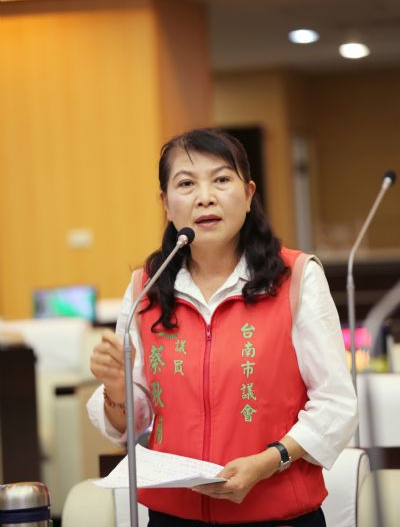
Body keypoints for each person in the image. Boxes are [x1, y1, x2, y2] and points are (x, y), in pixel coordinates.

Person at [87, 128, 358, 527]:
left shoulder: (296, 277)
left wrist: (270, 461)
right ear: (166, 203)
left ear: (248, 195)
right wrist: (116, 389)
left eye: (221, 179)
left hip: (278, 514)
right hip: (173, 516)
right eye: (186, 184)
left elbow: (336, 403)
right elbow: (136, 420)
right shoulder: (147, 286)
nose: (205, 197)